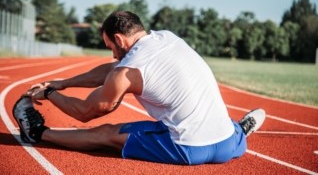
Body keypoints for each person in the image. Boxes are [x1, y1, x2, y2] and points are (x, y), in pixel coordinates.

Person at [13, 11, 266, 165]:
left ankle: (37, 133)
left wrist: (49, 93)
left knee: (105, 134)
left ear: (120, 40)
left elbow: (85, 111)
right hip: (227, 145)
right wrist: (63, 83)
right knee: (209, 111)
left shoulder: (126, 71)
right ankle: (240, 131)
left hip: (188, 147)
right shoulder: (167, 37)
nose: (112, 54)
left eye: (110, 47)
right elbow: (112, 70)